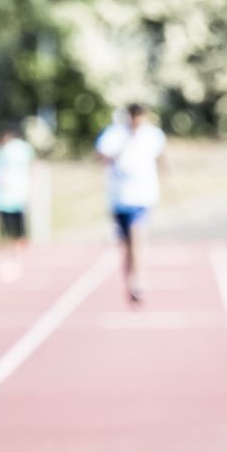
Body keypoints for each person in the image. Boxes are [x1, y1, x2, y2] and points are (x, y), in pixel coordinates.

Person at [94, 104, 166, 304]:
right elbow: (101, 157)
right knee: (125, 245)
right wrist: (120, 148)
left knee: (138, 236)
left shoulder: (152, 135)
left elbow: (160, 157)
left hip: (142, 196)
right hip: (118, 197)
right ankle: (129, 279)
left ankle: (138, 280)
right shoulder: (114, 135)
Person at [0, 123, 36, 281]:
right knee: (3, 232)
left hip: (18, 197)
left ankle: (19, 261)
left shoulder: (21, 149)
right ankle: (6, 260)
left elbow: (31, 167)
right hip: (0, 199)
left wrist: (30, 192)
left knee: (20, 233)